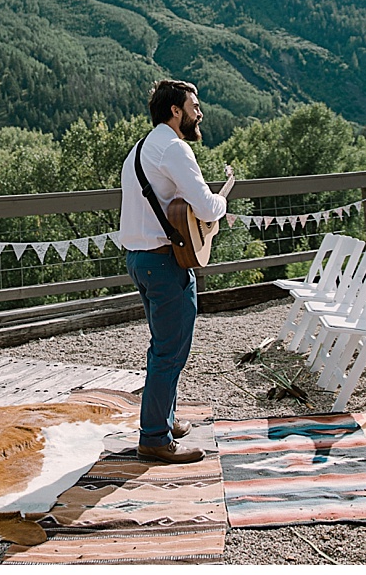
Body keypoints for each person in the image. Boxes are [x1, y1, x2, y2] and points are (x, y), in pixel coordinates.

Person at [119, 79, 230, 464]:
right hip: (165, 263)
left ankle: (163, 419)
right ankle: (154, 438)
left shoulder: (140, 149)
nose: (199, 113)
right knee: (170, 350)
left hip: (139, 259)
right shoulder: (174, 148)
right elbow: (205, 206)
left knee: (162, 346)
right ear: (175, 111)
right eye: (194, 106)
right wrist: (220, 201)